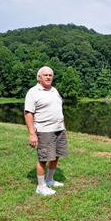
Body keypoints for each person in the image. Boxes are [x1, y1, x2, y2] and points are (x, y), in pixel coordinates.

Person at [24, 66, 68, 196]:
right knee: (44, 157)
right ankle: (41, 186)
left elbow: (59, 110)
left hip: (58, 129)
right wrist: (32, 133)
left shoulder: (54, 90)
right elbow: (28, 114)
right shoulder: (33, 92)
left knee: (56, 155)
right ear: (39, 77)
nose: (48, 77)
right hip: (44, 131)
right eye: (45, 75)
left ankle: (49, 180)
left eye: (50, 75)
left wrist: (63, 126)